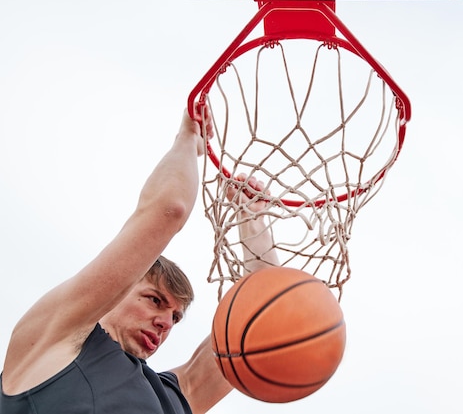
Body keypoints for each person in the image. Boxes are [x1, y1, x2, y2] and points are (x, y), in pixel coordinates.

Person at [0, 108, 277, 414]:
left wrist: (253, 220)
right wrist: (188, 139)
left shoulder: (175, 394)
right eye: (155, 300)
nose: (165, 323)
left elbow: (263, 327)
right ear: (117, 291)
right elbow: (168, 210)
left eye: (175, 317)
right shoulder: (54, 336)